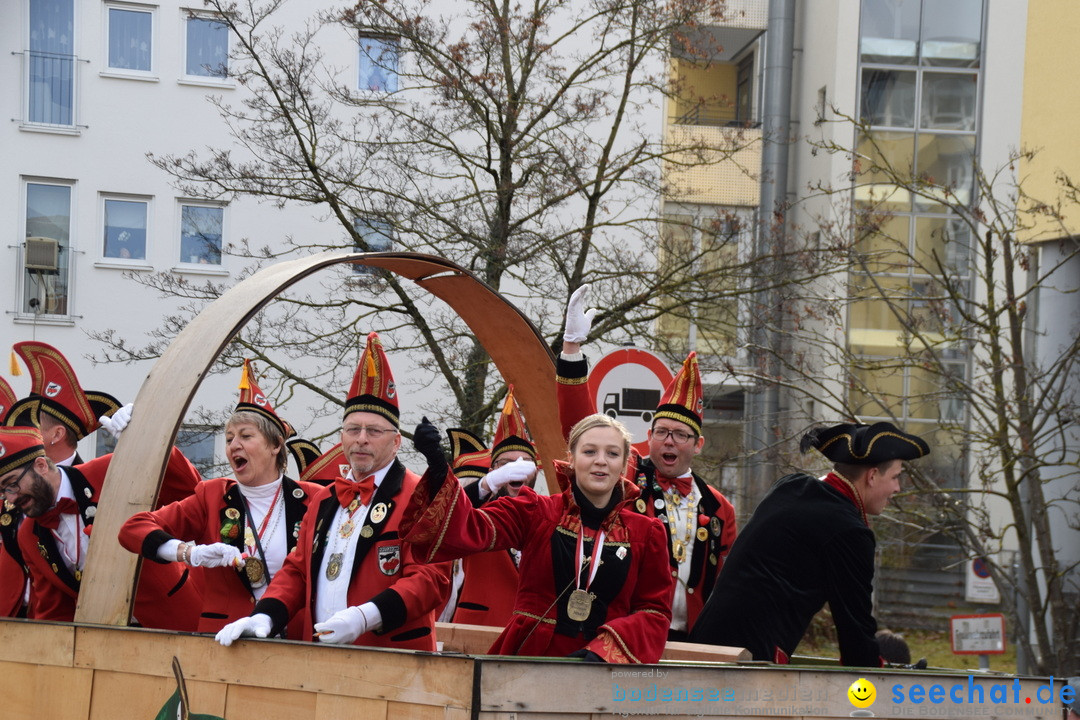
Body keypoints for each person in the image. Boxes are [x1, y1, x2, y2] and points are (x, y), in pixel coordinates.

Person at [214, 332, 451, 651]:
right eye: (353, 429)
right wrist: (266, 616)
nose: (362, 439)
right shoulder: (324, 499)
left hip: (393, 660)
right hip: (318, 657)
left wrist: (367, 616)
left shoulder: (421, 495)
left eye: (374, 431)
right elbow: (297, 570)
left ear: (396, 442)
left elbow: (431, 579)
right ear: (342, 438)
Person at [403, 412, 673, 664]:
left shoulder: (646, 532)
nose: (600, 460)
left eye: (612, 453)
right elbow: (467, 529)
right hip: (527, 659)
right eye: (589, 451)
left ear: (624, 463)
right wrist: (440, 471)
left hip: (604, 668)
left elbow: (655, 612)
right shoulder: (535, 511)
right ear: (572, 457)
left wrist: (601, 653)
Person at [557, 285, 737, 640]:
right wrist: (571, 350)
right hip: (623, 630)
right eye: (661, 431)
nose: (668, 441)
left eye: (680, 435)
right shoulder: (627, 473)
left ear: (698, 445)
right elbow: (580, 427)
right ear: (649, 435)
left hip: (692, 640)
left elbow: (727, 585)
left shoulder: (720, 508)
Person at [689, 421, 931, 667]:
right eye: (895, 477)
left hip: (704, 645)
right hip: (749, 663)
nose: (897, 488)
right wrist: (886, 670)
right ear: (872, 476)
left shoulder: (791, 486)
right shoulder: (848, 530)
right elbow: (854, 634)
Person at [1, 341, 201, 630]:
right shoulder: (29, 535)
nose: (9, 497)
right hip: (105, 644)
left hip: (177, 626)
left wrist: (150, 440)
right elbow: (55, 612)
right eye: (3, 491)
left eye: (12, 484)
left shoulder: (110, 470)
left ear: (41, 466)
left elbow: (190, 492)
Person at [119, 360, 322, 635]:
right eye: (228, 439)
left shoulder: (316, 500)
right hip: (224, 641)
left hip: (295, 640)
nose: (233, 445)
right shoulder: (213, 496)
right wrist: (189, 552)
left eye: (246, 436)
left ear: (275, 445)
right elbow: (133, 529)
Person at [449, 386, 539, 627]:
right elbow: (448, 515)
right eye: (506, 464)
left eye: (525, 463)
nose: (516, 469)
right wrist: (487, 484)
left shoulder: (548, 514)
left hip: (528, 635)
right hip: (477, 629)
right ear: (492, 471)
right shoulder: (477, 512)